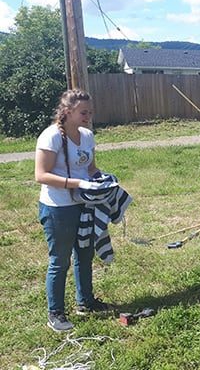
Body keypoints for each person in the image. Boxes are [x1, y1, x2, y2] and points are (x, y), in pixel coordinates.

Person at [35, 89, 111, 332]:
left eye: (90, 112)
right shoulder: (51, 137)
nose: (88, 116)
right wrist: (77, 183)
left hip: (84, 205)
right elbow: (41, 175)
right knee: (60, 260)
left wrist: (103, 179)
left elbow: (90, 169)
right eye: (83, 112)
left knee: (85, 254)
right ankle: (55, 312)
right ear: (67, 112)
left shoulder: (87, 135)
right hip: (58, 208)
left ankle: (85, 302)